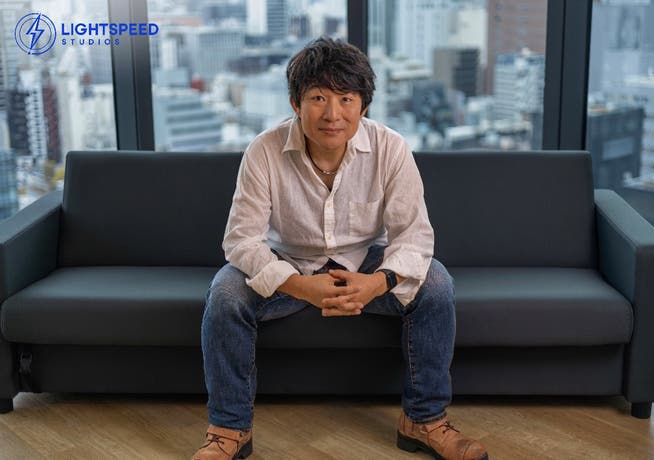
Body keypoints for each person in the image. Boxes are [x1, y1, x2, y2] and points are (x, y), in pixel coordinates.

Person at [193, 37, 489, 460]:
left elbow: (415, 236)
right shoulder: (264, 150)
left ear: (363, 106)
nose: (333, 114)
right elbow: (241, 240)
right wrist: (299, 286)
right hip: (288, 262)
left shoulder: (390, 148)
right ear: (297, 103)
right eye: (318, 98)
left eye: (346, 99)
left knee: (436, 283)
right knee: (225, 293)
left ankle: (423, 420)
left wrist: (377, 282)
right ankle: (229, 431)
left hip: (365, 261)